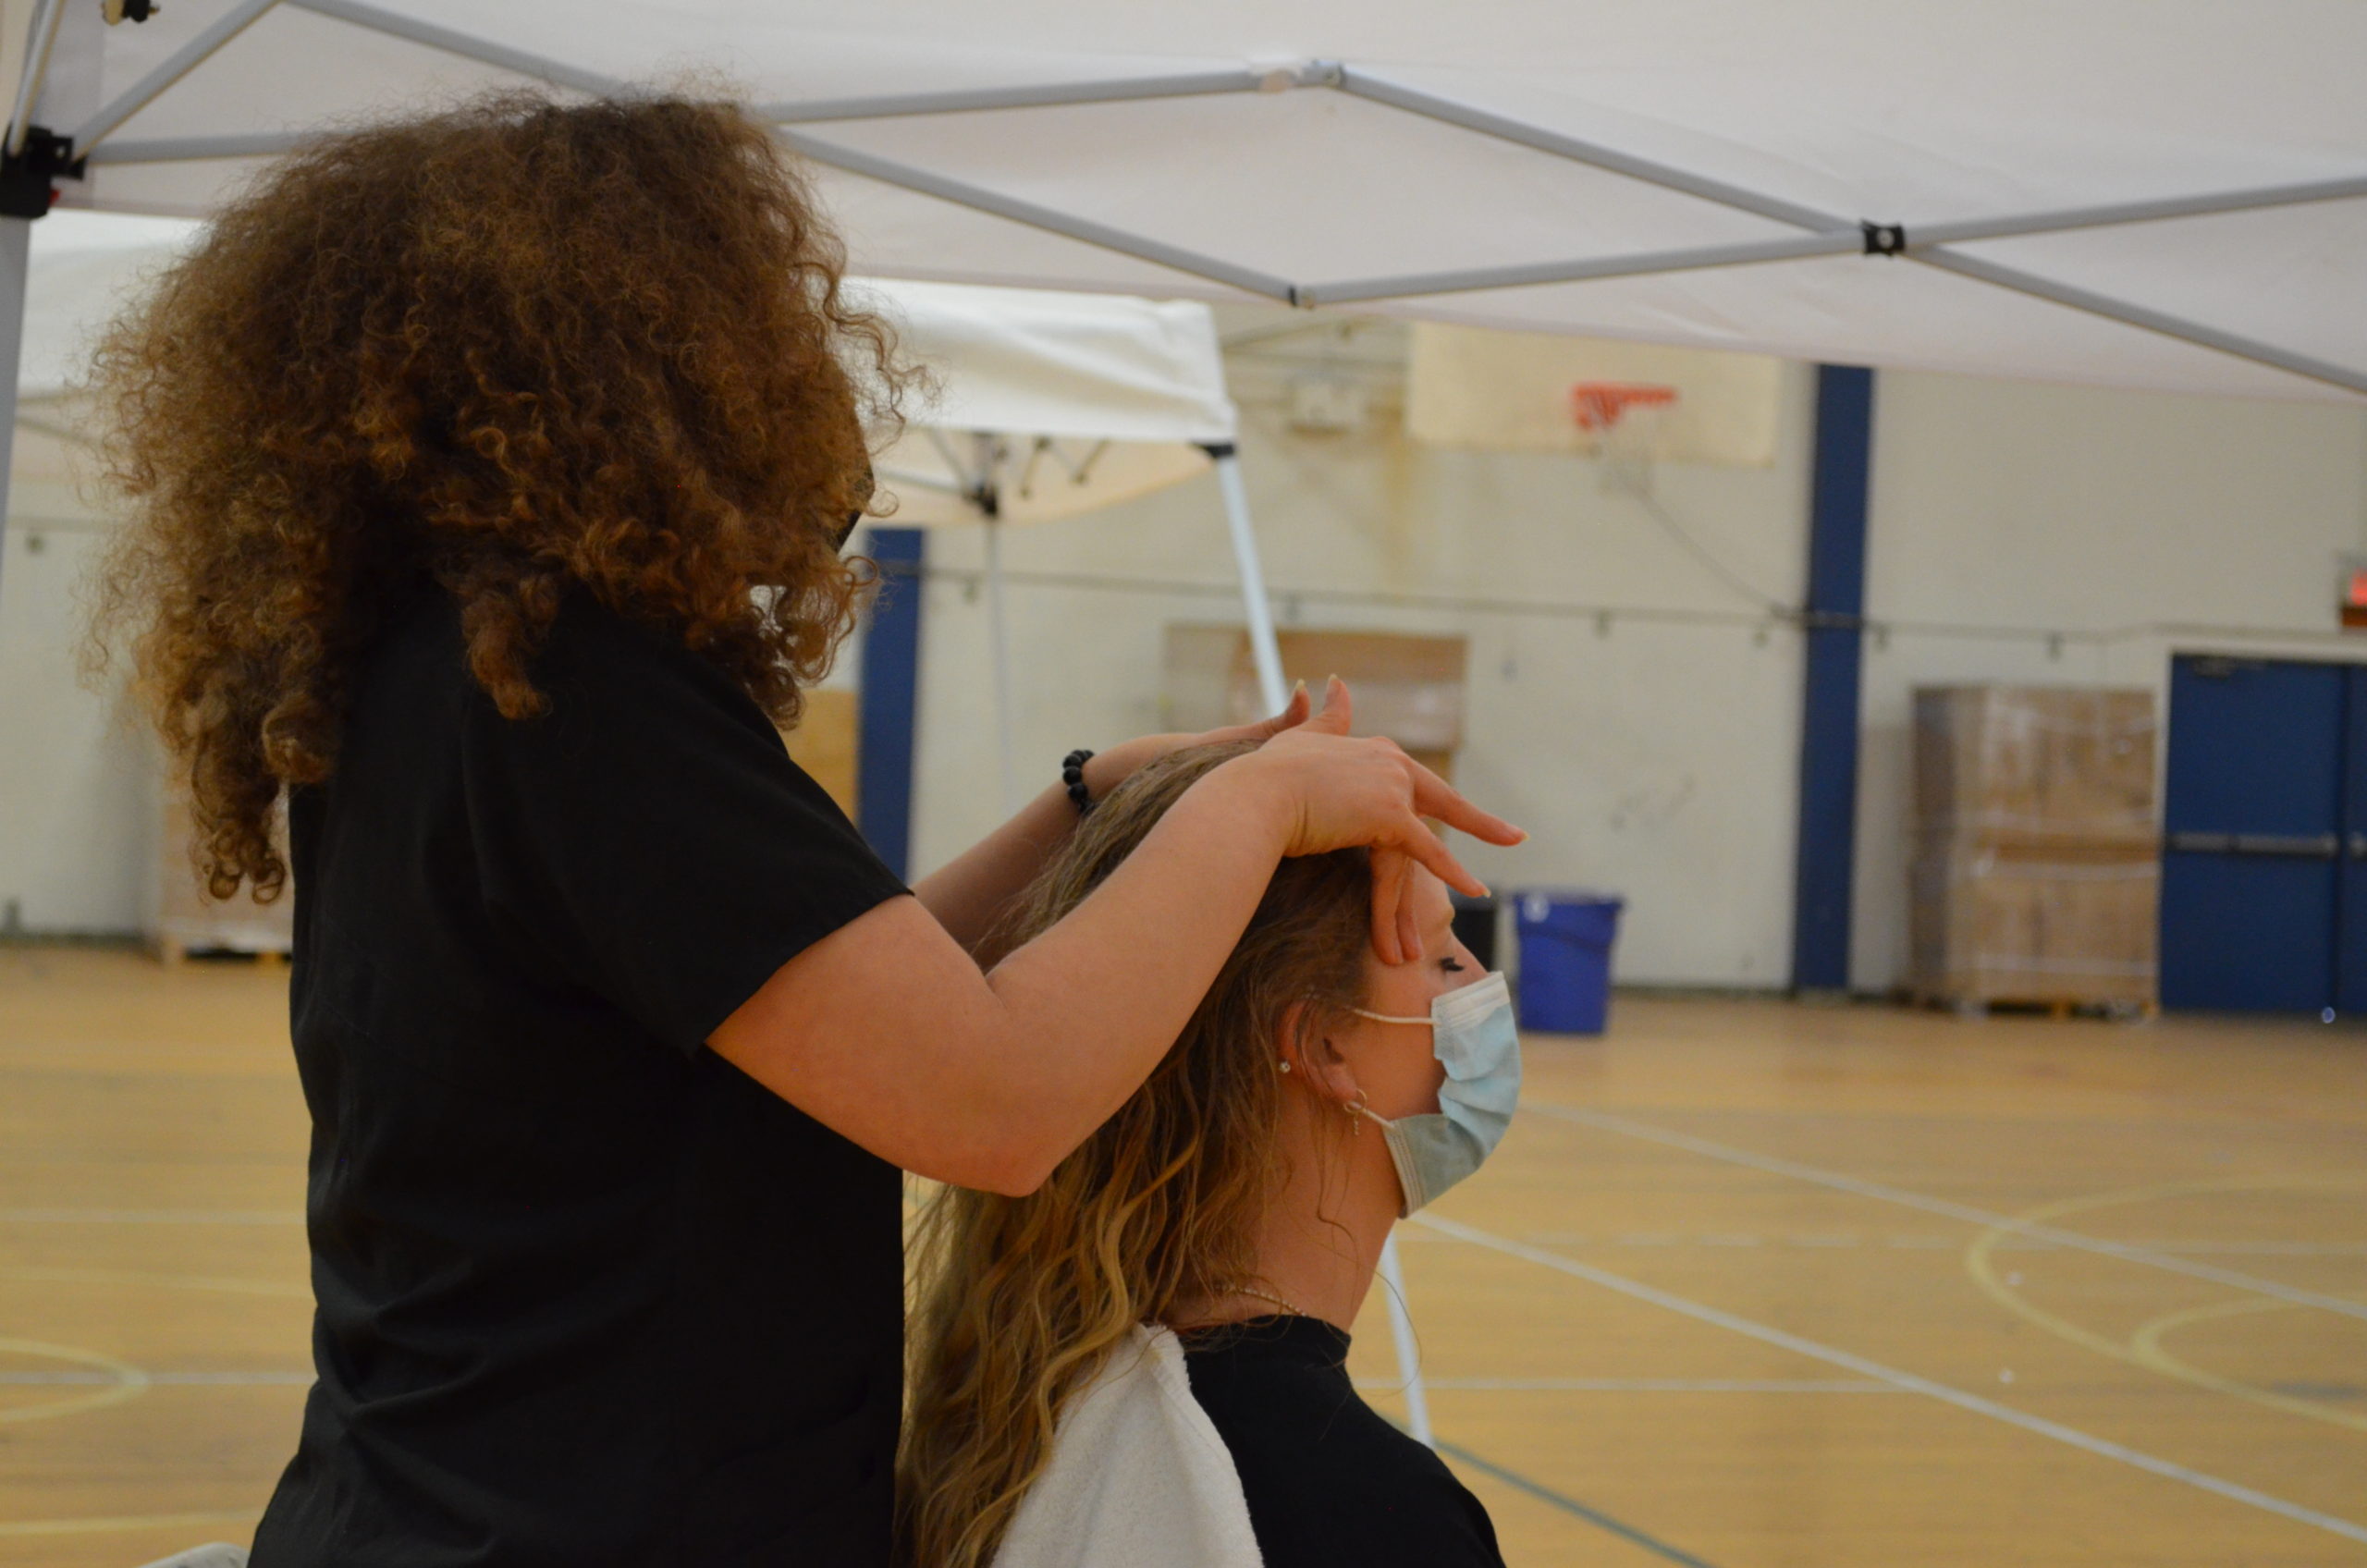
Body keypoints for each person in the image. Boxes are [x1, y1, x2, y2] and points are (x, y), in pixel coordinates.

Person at [87, 92, 1523, 1567]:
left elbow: (827, 1010)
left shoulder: (448, 679)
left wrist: (1086, 802)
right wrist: (1265, 799)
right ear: (654, 354)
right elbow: (991, 1101)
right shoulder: (567, 700)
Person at [902, 741, 1519, 1568]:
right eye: (1446, 957)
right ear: (1323, 1045)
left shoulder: (1024, 1412)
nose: (1482, 984)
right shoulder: (1375, 1514)